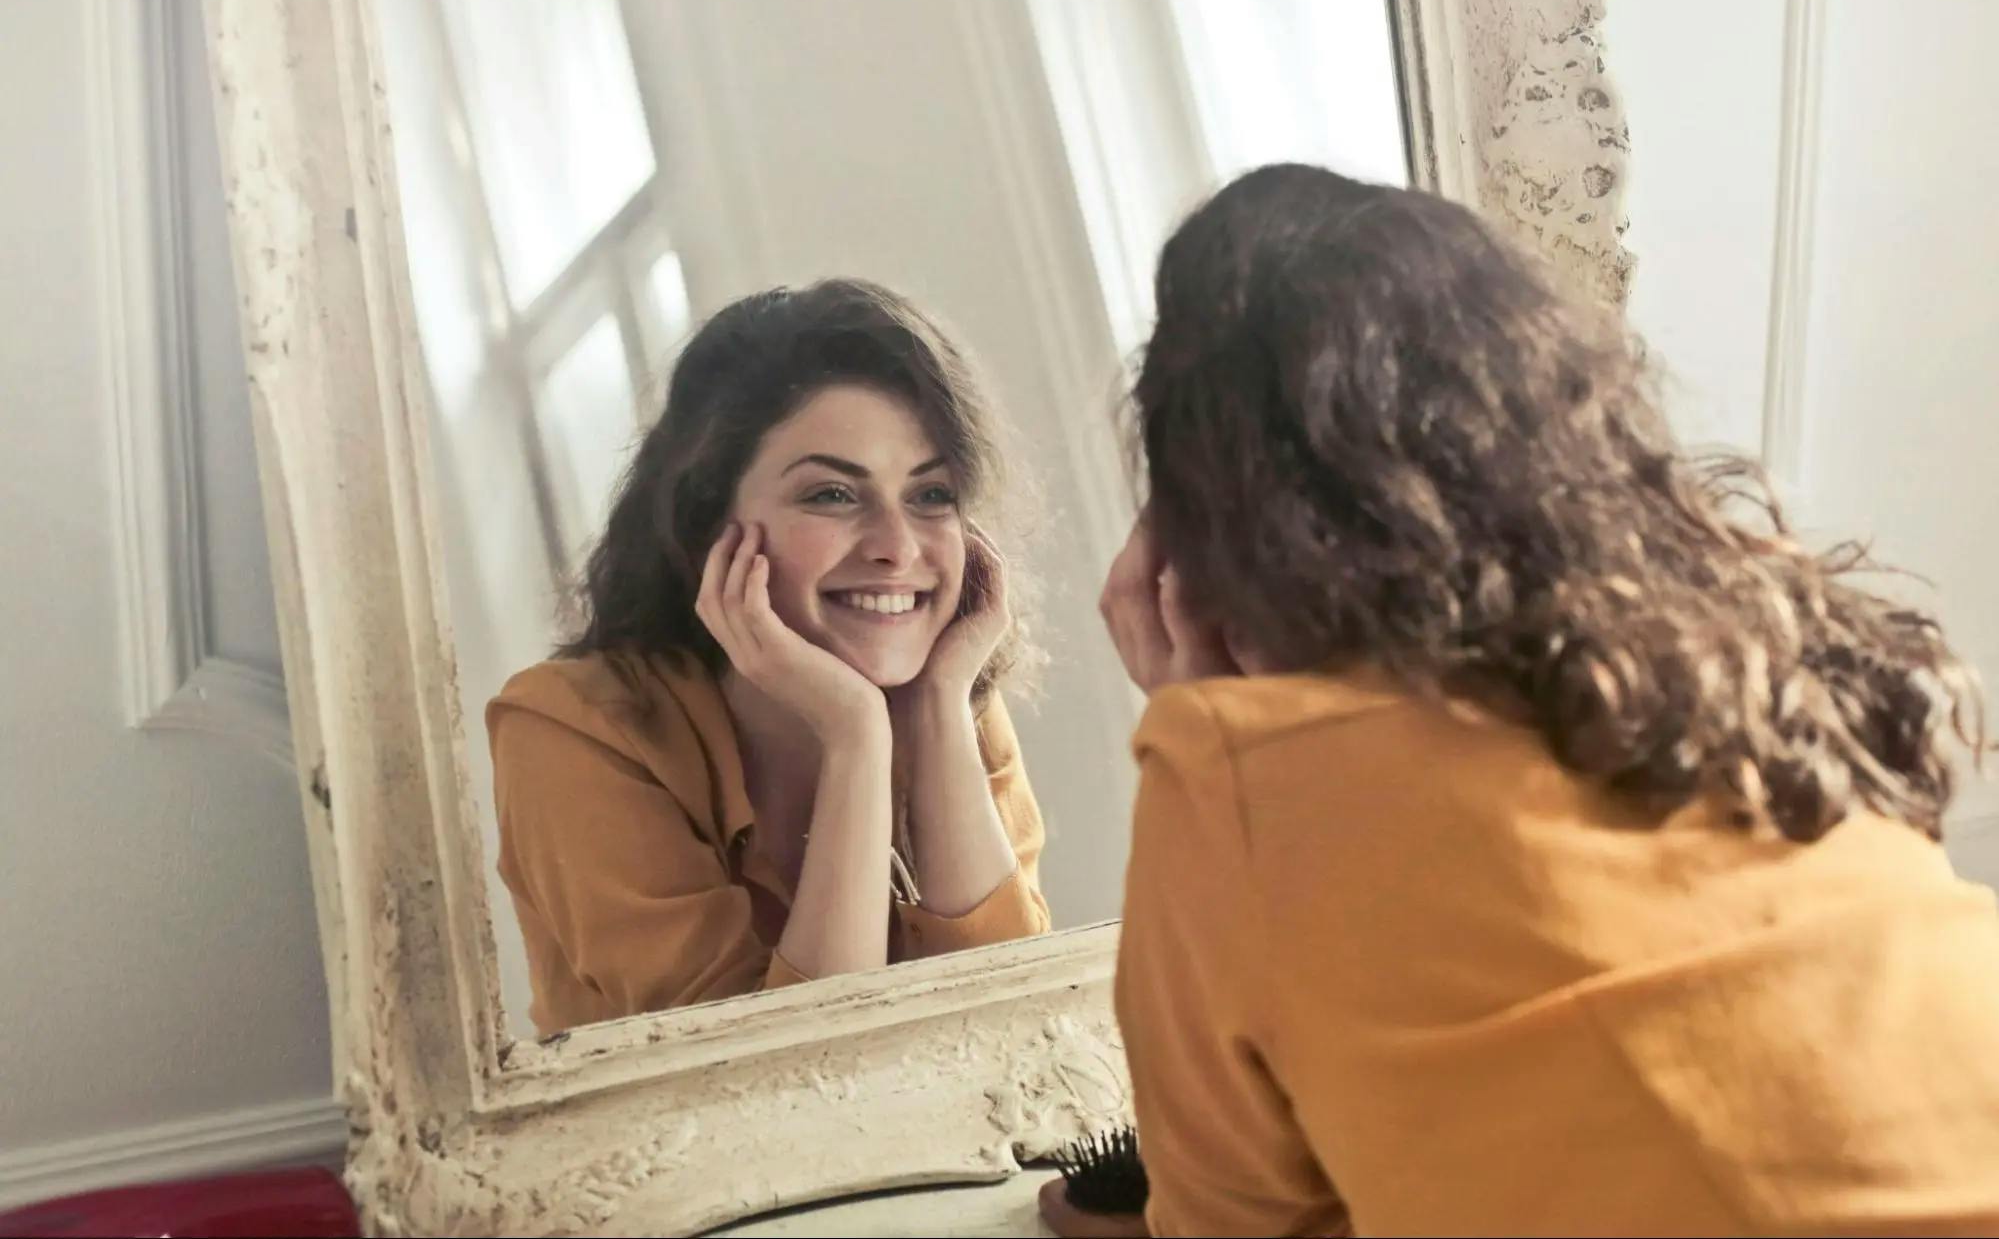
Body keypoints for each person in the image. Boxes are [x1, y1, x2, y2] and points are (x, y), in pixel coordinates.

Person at [1093, 164, 1999, 1236]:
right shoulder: (1750, 630)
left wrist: (1200, 721)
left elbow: (1236, 1227)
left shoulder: (1238, 782)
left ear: (1197, 551)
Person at [488, 279, 1050, 1037]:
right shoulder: (571, 728)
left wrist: (939, 711)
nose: (896, 546)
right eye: (829, 494)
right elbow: (767, 1078)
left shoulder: (949, 697)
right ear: (706, 526)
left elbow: (1015, 1029)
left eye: (931, 494)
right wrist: (854, 737)